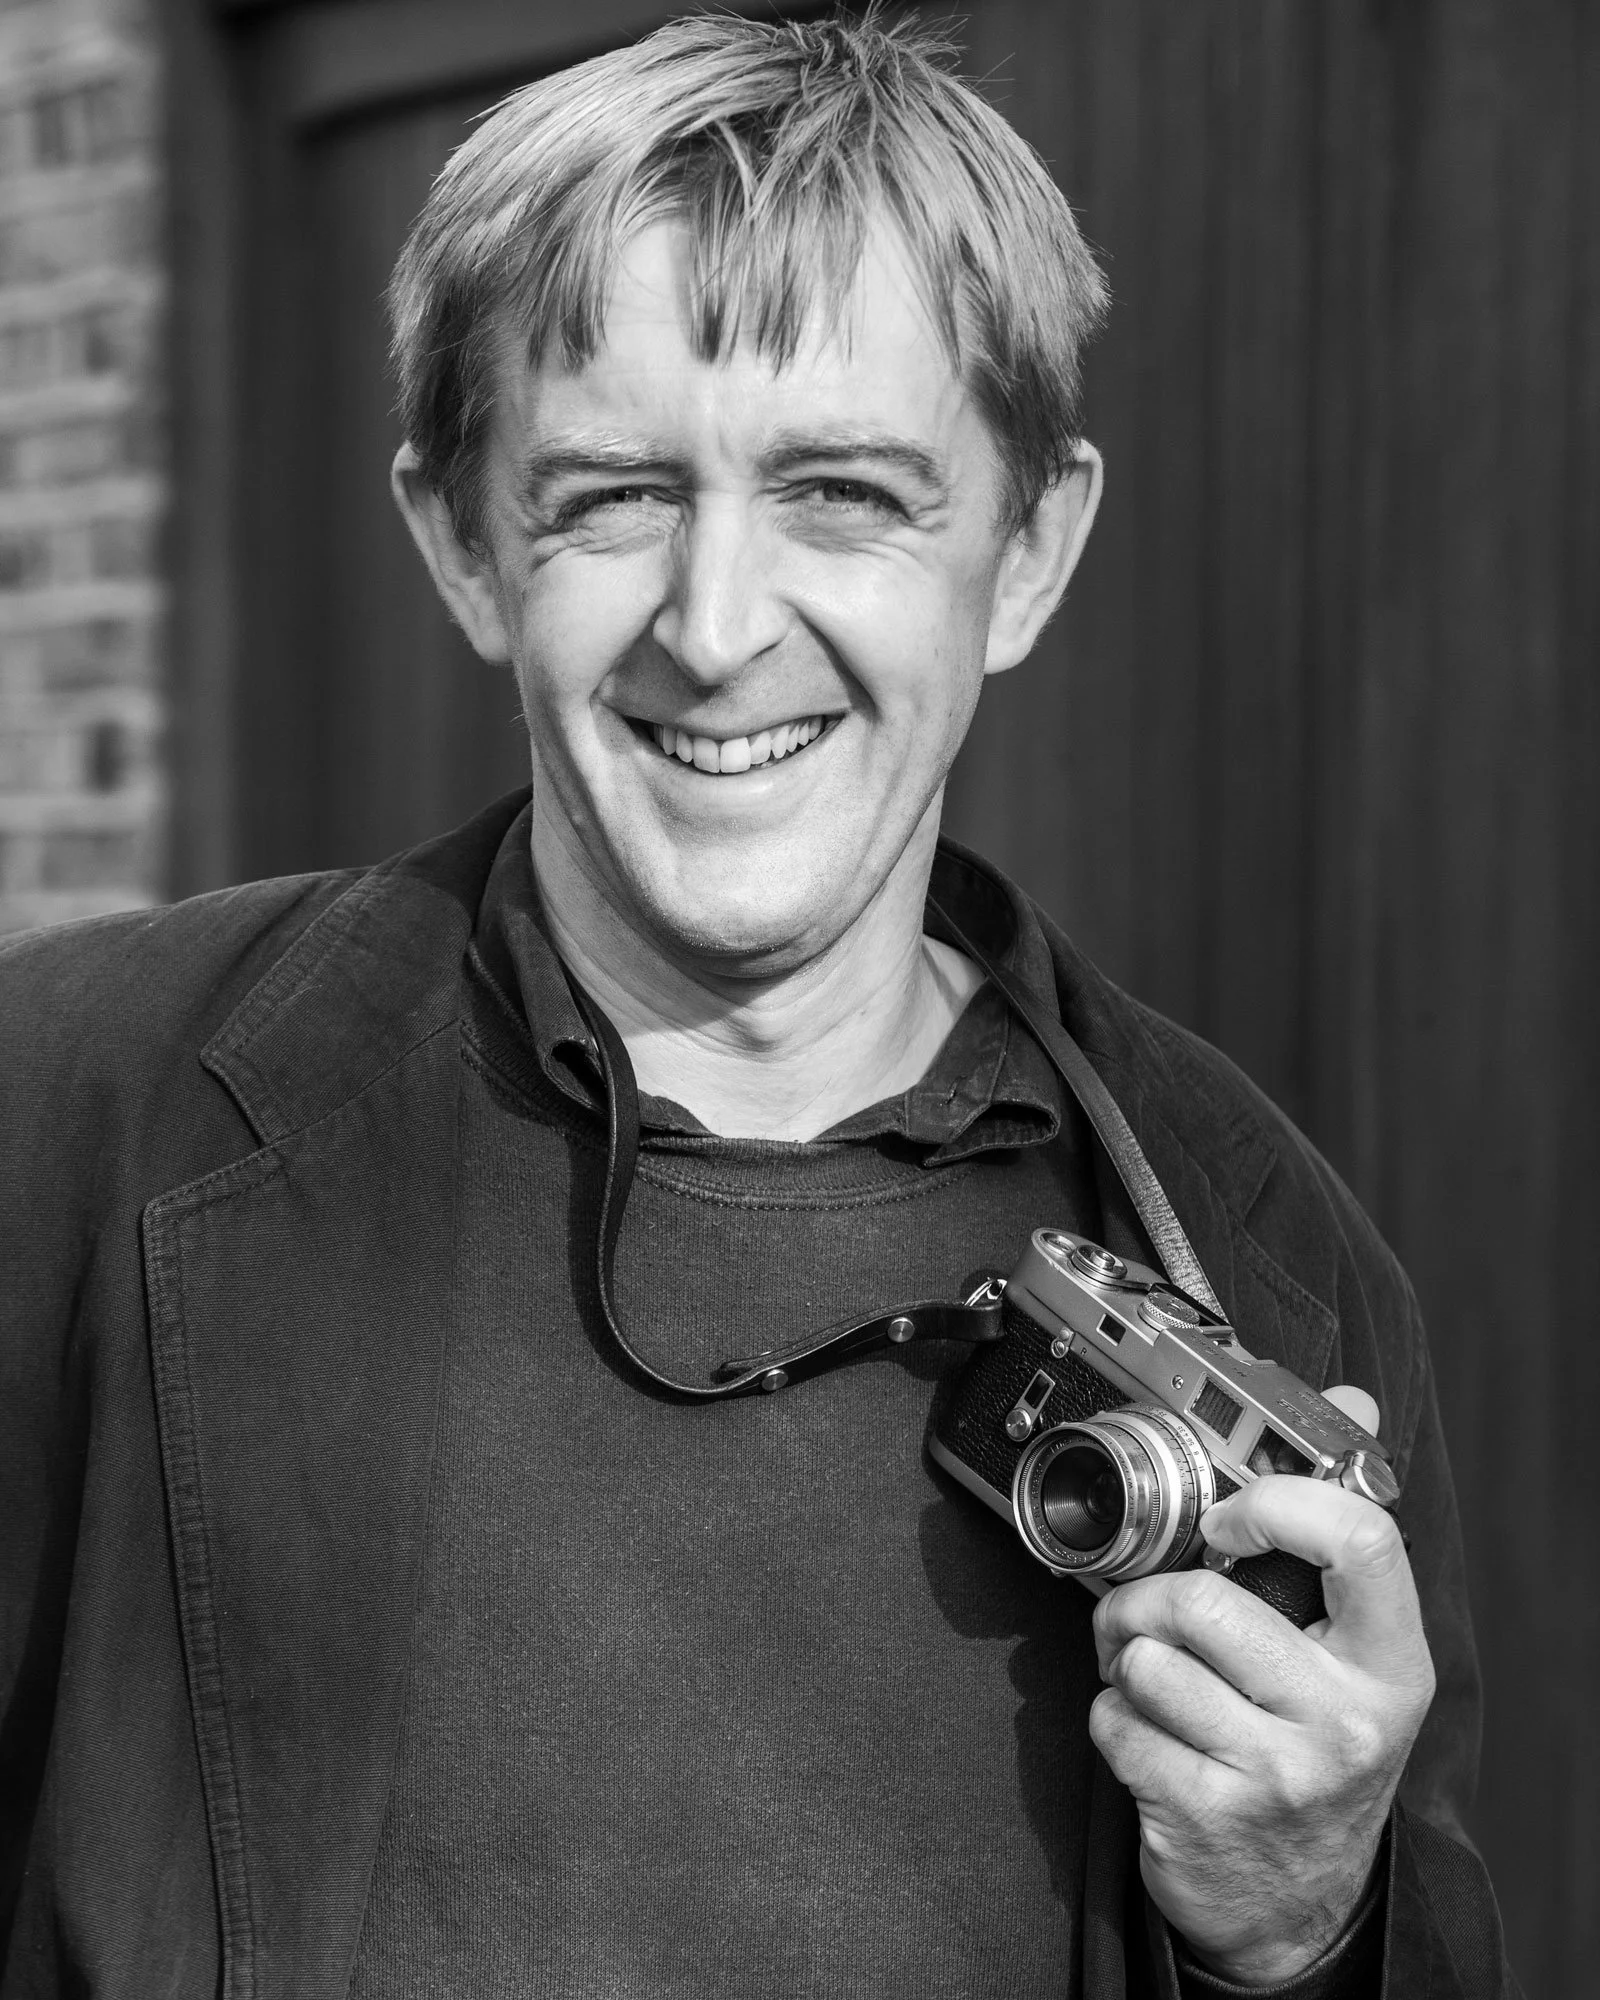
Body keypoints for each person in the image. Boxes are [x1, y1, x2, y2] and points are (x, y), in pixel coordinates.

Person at [0, 14, 1517, 1998]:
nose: (715, 630)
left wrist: (1302, 1928)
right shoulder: (69, 1121)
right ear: (463, 542)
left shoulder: (1272, 1268)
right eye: (615, 495)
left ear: (1026, 549)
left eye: (843, 495)